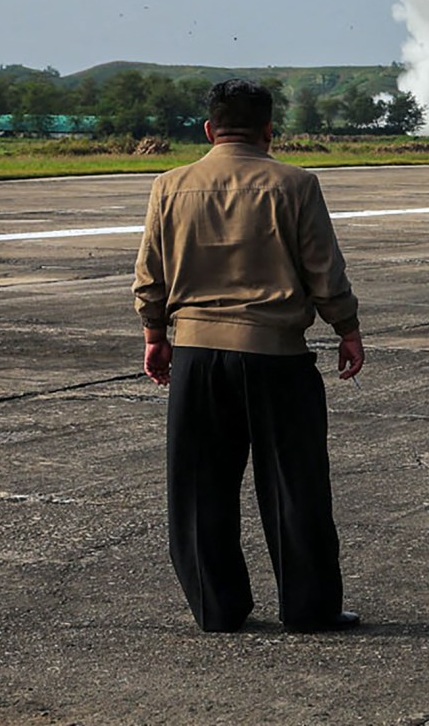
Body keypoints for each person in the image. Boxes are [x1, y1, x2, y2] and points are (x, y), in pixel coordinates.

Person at [132, 78, 365, 633]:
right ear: (268, 132)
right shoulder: (296, 184)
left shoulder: (169, 185)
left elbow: (150, 274)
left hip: (196, 353)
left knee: (199, 485)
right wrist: (346, 327)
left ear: (210, 129)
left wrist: (153, 333)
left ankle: (218, 607)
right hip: (276, 354)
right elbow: (322, 270)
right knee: (295, 483)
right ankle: (308, 609)